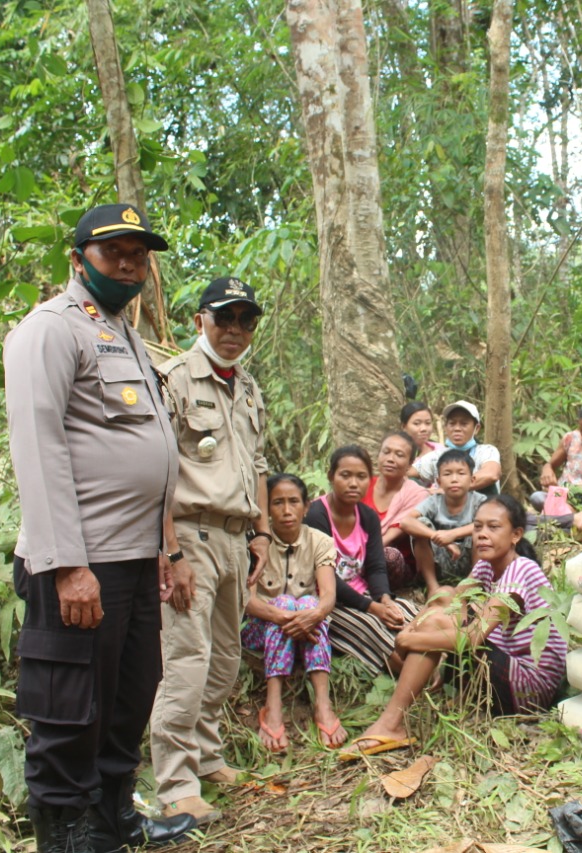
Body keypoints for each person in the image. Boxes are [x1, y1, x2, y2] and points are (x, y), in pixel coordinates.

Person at [4, 203, 196, 853]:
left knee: (129, 698)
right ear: (79, 255)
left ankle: (116, 819)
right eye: (114, 250)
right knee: (70, 709)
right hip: (81, 562)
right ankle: (69, 834)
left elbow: (152, 449)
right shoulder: (51, 331)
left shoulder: (126, 335)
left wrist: (164, 548)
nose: (128, 263)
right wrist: (66, 565)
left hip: (135, 559)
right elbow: (40, 447)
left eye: (139, 254)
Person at [149, 277, 272, 824]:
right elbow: (150, 472)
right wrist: (168, 552)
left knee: (225, 656)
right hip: (190, 535)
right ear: (200, 319)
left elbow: (260, 466)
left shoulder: (247, 387)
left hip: (235, 537)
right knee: (187, 658)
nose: (235, 330)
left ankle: (207, 755)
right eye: (225, 318)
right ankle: (175, 782)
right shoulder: (174, 379)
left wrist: (262, 534)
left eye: (246, 321)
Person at [342, 496, 568, 759]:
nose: (482, 535)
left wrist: (409, 640)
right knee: (443, 594)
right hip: (501, 664)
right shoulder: (487, 565)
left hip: (528, 688)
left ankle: (391, 724)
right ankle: (422, 675)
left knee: (437, 624)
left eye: (493, 527)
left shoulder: (521, 569)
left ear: (516, 534)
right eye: (478, 527)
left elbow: (473, 637)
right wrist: (423, 634)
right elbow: (451, 600)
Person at [243, 474, 347, 753]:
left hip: (307, 624)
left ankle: (322, 705)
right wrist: (284, 616)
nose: (287, 511)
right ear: (266, 509)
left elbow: (328, 597)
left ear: (306, 506)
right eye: (277, 503)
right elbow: (249, 603)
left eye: (293, 502)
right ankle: (273, 704)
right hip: (260, 628)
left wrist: (311, 615)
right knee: (287, 603)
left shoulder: (320, 541)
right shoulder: (254, 544)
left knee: (308, 605)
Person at [306, 446, 419, 673]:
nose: (353, 483)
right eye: (345, 475)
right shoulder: (316, 514)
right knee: (374, 629)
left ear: (370, 479)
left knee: (408, 613)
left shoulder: (367, 517)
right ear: (331, 476)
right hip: (327, 600)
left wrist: (385, 600)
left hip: (362, 593)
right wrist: (373, 608)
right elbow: (326, 578)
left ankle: (427, 662)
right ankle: (409, 672)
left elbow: (376, 567)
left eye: (361, 476)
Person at [400, 449, 488, 595]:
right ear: (439, 481)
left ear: (472, 479)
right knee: (420, 523)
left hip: (470, 562)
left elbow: (487, 523)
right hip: (439, 562)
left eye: (461, 473)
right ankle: (432, 586)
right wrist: (438, 537)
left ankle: (472, 584)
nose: (454, 479)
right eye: (447, 474)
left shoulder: (480, 501)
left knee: (482, 529)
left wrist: (452, 534)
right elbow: (406, 522)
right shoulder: (433, 502)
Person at [363, 431, 430, 590]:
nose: (390, 459)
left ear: (410, 463)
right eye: (386, 452)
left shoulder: (416, 494)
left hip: (392, 565)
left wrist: (357, 555)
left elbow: (388, 538)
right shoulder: (361, 485)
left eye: (399, 455)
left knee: (389, 556)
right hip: (352, 553)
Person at [410, 401, 502, 496]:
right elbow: (406, 474)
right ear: (446, 427)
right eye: (452, 423)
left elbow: (491, 474)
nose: (457, 428)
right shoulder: (436, 457)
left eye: (464, 424)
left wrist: (447, 489)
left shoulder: (486, 451)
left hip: (482, 509)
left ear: (477, 428)